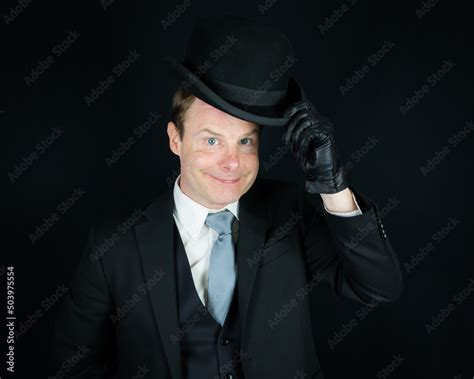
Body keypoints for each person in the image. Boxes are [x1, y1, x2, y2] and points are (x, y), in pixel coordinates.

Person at [50, 14, 403, 379]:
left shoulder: (288, 211)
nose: (232, 162)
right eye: (212, 140)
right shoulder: (113, 246)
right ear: (175, 139)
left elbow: (378, 287)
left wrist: (334, 186)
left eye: (245, 141)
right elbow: (75, 366)